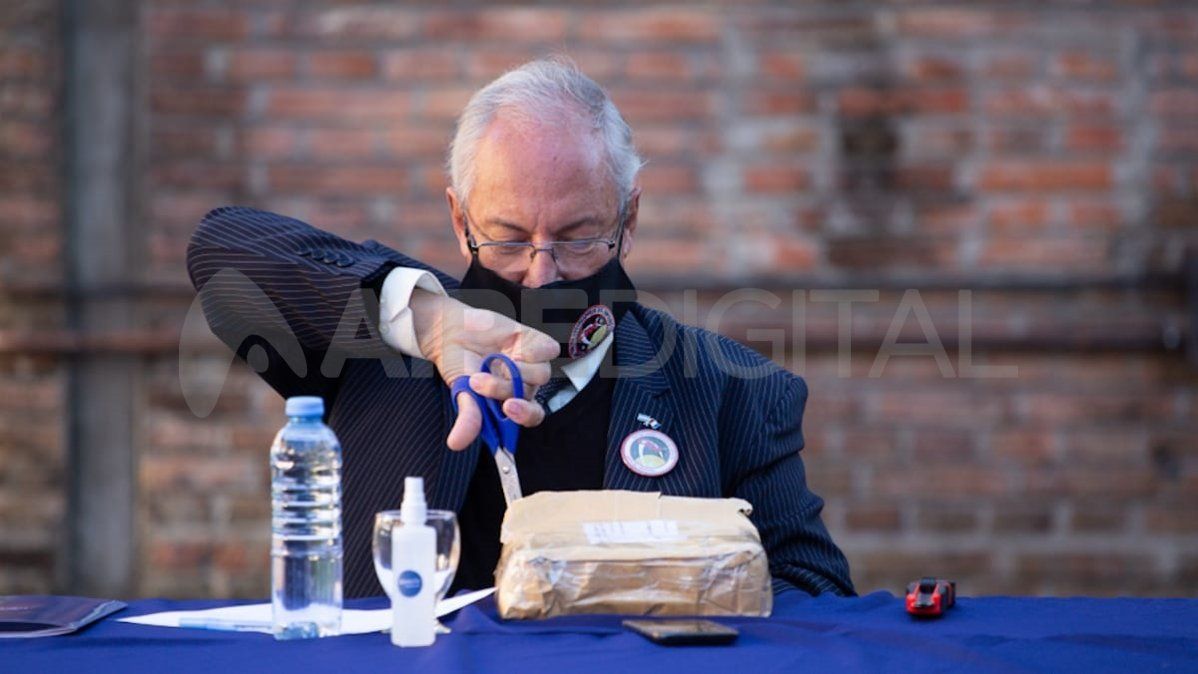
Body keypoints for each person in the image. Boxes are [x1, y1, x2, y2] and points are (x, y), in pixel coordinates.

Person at [187, 58, 854, 598]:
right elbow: (221, 252)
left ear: (629, 221)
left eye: (578, 237)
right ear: (460, 220)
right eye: (507, 238)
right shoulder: (378, 343)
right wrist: (428, 321)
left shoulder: (732, 390)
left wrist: (687, 595)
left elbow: (817, 591)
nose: (541, 275)